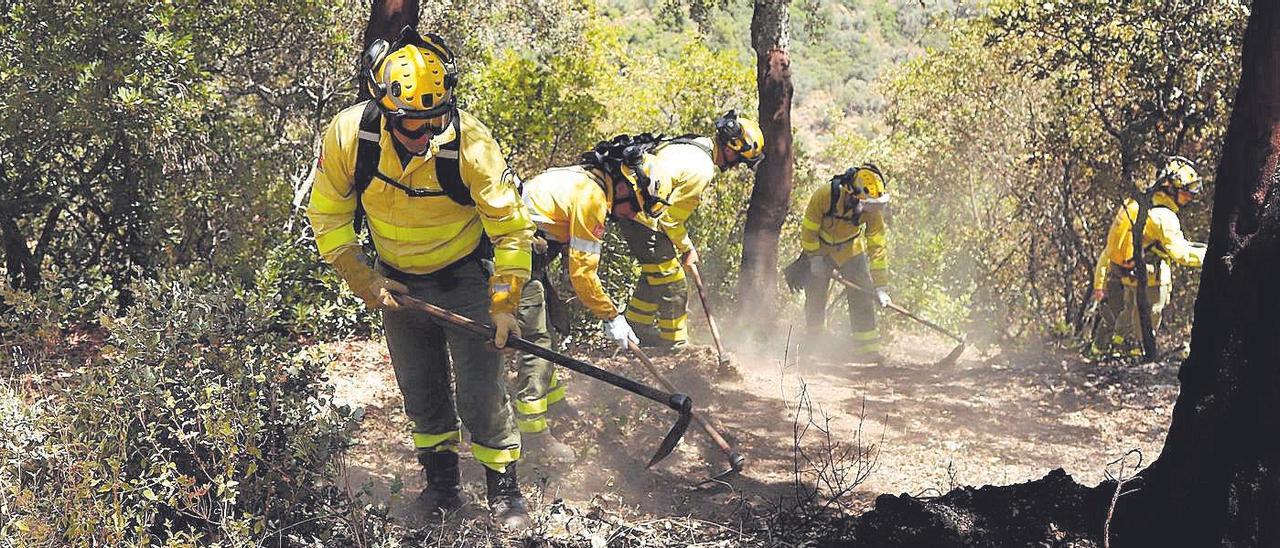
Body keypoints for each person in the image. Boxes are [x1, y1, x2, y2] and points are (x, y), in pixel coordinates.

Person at [306, 27, 534, 530]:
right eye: (411, 125)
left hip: (466, 281)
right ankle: (441, 488)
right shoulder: (349, 136)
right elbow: (327, 214)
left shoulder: (473, 145)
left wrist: (504, 301)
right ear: (384, 110)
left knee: (481, 392)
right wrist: (362, 278)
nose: (423, 135)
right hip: (398, 287)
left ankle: (505, 492)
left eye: (433, 122)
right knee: (421, 390)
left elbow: (512, 230)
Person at [511, 146, 669, 464]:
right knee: (537, 341)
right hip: (510, 254)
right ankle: (533, 435)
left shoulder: (585, 181)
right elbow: (582, 275)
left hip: (522, 251)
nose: (630, 215)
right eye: (635, 207)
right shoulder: (593, 198)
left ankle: (553, 404)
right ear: (625, 185)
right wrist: (612, 316)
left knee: (546, 330)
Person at [617, 111, 765, 351]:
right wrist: (687, 248)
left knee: (657, 272)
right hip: (645, 219)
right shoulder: (702, 170)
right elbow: (670, 219)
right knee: (674, 282)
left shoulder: (694, 144)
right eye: (739, 159)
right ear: (730, 148)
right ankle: (675, 344)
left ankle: (636, 330)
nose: (737, 165)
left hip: (634, 211)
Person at [1090, 156, 1207, 358]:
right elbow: (1182, 254)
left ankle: (1117, 351)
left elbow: (1108, 250)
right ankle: (1139, 356)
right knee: (1146, 322)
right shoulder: (1164, 217)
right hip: (1152, 281)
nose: (1190, 197)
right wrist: (1214, 254)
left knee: (1127, 316)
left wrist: (1099, 283)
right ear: (1171, 188)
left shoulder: (1134, 204)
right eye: (1186, 192)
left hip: (1128, 279)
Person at [789, 164, 892, 363]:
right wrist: (815, 259)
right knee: (815, 295)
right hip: (821, 250)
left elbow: (877, 245)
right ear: (852, 195)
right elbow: (808, 230)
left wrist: (880, 286)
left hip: (851, 251)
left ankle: (867, 350)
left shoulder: (872, 209)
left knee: (862, 295)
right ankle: (815, 344)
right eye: (868, 204)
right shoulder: (824, 196)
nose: (873, 210)